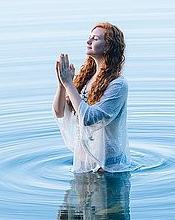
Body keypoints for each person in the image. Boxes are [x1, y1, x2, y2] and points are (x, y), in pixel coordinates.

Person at [52, 22, 135, 174]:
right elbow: (60, 113)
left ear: (108, 46)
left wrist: (69, 84)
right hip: (84, 164)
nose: (88, 41)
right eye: (89, 37)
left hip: (108, 169)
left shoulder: (118, 85)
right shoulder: (87, 78)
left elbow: (91, 119)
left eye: (95, 39)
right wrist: (62, 85)